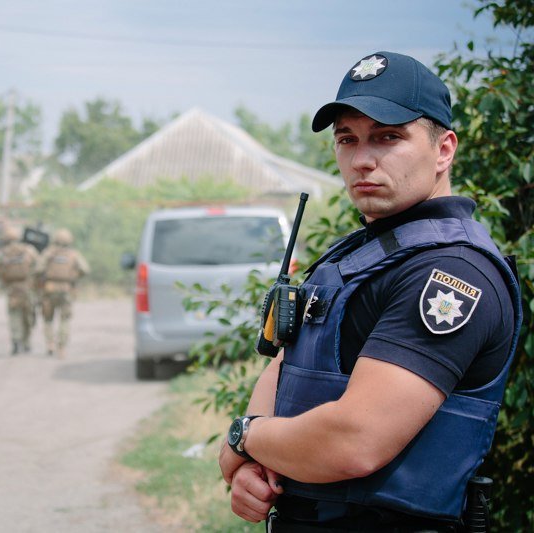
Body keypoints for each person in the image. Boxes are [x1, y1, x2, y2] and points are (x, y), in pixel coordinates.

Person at [219, 51, 522, 532]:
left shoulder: (450, 273)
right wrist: (252, 464)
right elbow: (287, 365)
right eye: (347, 139)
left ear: (444, 149)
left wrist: (245, 437)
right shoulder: (358, 256)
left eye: (388, 137)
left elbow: (355, 442)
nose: (362, 160)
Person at [35, 228, 90, 358]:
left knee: (48, 319)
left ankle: (50, 344)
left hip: (49, 289)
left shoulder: (48, 253)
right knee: (64, 319)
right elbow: (85, 269)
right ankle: (62, 347)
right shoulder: (74, 255)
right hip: (67, 290)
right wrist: (74, 276)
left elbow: (38, 269)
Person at [0, 224, 40, 355]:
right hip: (28, 288)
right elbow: (38, 267)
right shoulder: (29, 250)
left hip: (12, 289)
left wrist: (4, 283)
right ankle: (26, 342)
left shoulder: (3, 253)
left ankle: (16, 340)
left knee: (14, 315)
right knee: (28, 316)